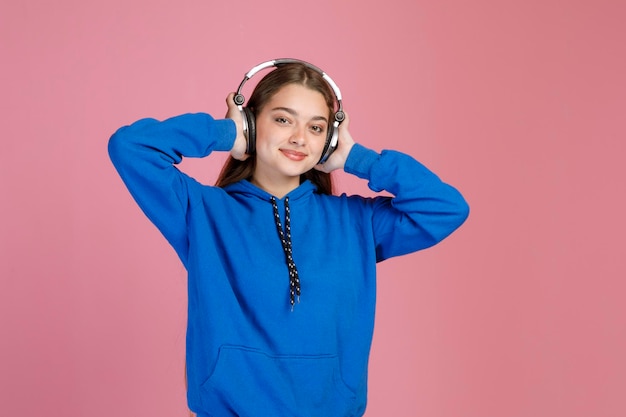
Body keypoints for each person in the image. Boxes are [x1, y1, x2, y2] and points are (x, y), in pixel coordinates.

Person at [108, 59, 469, 417]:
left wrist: (358, 159)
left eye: (316, 128)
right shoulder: (201, 212)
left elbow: (446, 208)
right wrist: (227, 133)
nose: (299, 138)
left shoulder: (357, 221)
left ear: (329, 140)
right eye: (283, 119)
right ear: (253, 122)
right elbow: (130, 147)